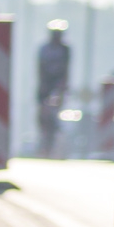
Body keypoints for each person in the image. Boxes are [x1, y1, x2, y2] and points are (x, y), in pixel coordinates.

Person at [37, 20, 71, 157]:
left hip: (58, 84)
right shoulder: (44, 49)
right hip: (46, 84)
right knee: (43, 113)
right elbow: (40, 67)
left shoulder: (65, 49)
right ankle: (43, 139)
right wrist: (42, 85)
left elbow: (67, 68)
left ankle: (55, 141)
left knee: (57, 112)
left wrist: (63, 86)